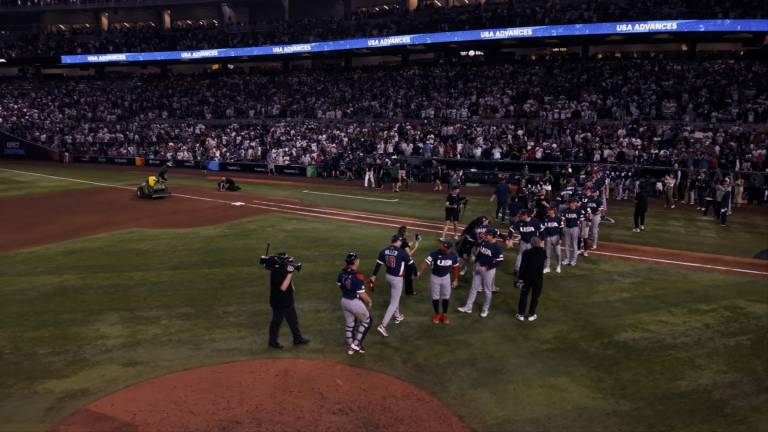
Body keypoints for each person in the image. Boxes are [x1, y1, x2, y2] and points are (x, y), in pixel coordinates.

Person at [370, 235, 418, 337]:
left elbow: (378, 265)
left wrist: (373, 276)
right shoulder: (402, 252)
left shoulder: (384, 250)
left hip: (388, 277)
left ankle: (397, 316)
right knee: (394, 301)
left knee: (395, 297)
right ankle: (383, 325)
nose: (401, 243)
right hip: (397, 279)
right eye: (400, 241)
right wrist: (416, 273)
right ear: (398, 241)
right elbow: (412, 264)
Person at [457, 228, 504, 318]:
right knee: (473, 287)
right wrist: (475, 263)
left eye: (487, 235)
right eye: (485, 234)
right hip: (478, 267)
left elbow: (499, 261)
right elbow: (479, 254)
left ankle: (485, 309)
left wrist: (486, 267)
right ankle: (468, 307)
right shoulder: (483, 242)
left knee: (487, 290)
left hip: (489, 271)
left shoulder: (497, 248)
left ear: (493, 236)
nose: (485, 236)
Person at [268, 258, 310, 349]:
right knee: (276, 322)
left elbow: (289, 284)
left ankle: (297, 339)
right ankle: (272, 341)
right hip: (279, 303)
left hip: (287, 301)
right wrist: (290, 274)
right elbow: (283, 287)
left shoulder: (281, 271)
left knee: (293, 320)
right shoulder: (276, 274)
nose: (289, 264)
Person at [338, 252, 373, 355]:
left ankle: (351, 347)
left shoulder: (341, 273)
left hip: (344, 301)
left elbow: (341, 285)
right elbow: (362, 294)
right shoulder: (357, 277)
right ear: (355, 262)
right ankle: (356, 344)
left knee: (350, 324)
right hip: (354, 302)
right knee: (367, 321)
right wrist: (369, 300)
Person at [419, 239, 460, 324]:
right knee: (435, 297)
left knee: (446, 296)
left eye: (443, 246)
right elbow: (425, 262)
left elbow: (456, 267)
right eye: (442, 244)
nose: (441, 246)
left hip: (446, 277)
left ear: (448, 248)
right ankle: (437, 314)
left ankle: (444, 314)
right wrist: (420, 271)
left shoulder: (453, 256)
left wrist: (455, 279)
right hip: (435, 277)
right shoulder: (434, 253)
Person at [516, 237, 547, 322]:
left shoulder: (527, 252)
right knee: (535, 297)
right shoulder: (543, 252)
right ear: (539, 243)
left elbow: (522, 266)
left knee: (524, 296)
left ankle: (521, 314)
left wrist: (520, 278)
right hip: (538, 279)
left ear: (531, 244)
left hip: (527, 278)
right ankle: (532, 314)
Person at [508, 210, 542, 274]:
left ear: (526, 215)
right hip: (523, 242)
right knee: (520, 255)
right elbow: (511, 230)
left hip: (533, 244)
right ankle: (517, 269)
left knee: (532, 257)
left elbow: (542, 230)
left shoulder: (535, 221)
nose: (519, 217)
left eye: (521, 216)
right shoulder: (519, 222)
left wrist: (541, 241)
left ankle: (530, 270)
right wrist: (510, 240)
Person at [397, 225, 420, 296]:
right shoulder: (403, 241)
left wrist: (414, 241)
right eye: (406, 231)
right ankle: (409, 291)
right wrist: (416, 247)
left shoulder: (398, 238)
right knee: (409, 276)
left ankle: (411, 276)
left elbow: (406, 245)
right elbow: (409, 254)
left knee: (411, 272)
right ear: (404, 232)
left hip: (399, 258)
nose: (408, 232)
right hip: (405, 260)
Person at [561, 199, 585, 266]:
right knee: (567, 244)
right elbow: (563, 220)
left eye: (572, 203)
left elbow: (582, 222)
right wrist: (563, 228)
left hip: (575, 228)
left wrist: (582, 231)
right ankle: (567, 259)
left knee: (574, 244)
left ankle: (574, 260)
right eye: (570, 203)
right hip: (567, 228)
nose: (570, 204)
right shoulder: (565, 210)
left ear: (575, 203)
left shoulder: (579, 211)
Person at [541, 207, 563, 273]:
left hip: (556, 237)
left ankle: (559, 266)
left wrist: (560, 238)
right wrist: (544, 238)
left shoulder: (558, 218)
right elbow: (543, 229)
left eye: (550, 210)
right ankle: (547, 267)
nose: (549, 211)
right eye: (548, 210)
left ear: (554, 210)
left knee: (558, 253)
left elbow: (561, 229)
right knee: (547, 253)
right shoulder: (545, 218)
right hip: (547, 238)